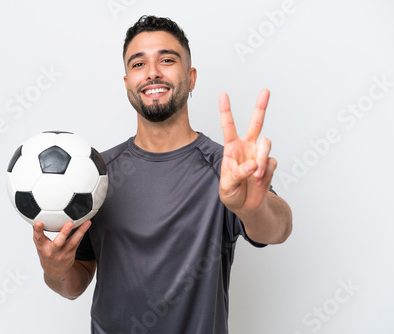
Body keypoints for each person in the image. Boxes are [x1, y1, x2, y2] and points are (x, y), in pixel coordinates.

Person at [32, 15, 292, 334]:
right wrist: (54, 271)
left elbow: (278, 229)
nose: (152, 72)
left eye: (167, 59)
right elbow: (74, 284)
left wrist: (254, 207)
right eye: (138, 64)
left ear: (191, 76)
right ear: (127, 81)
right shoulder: (94, 175)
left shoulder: (227, 170)